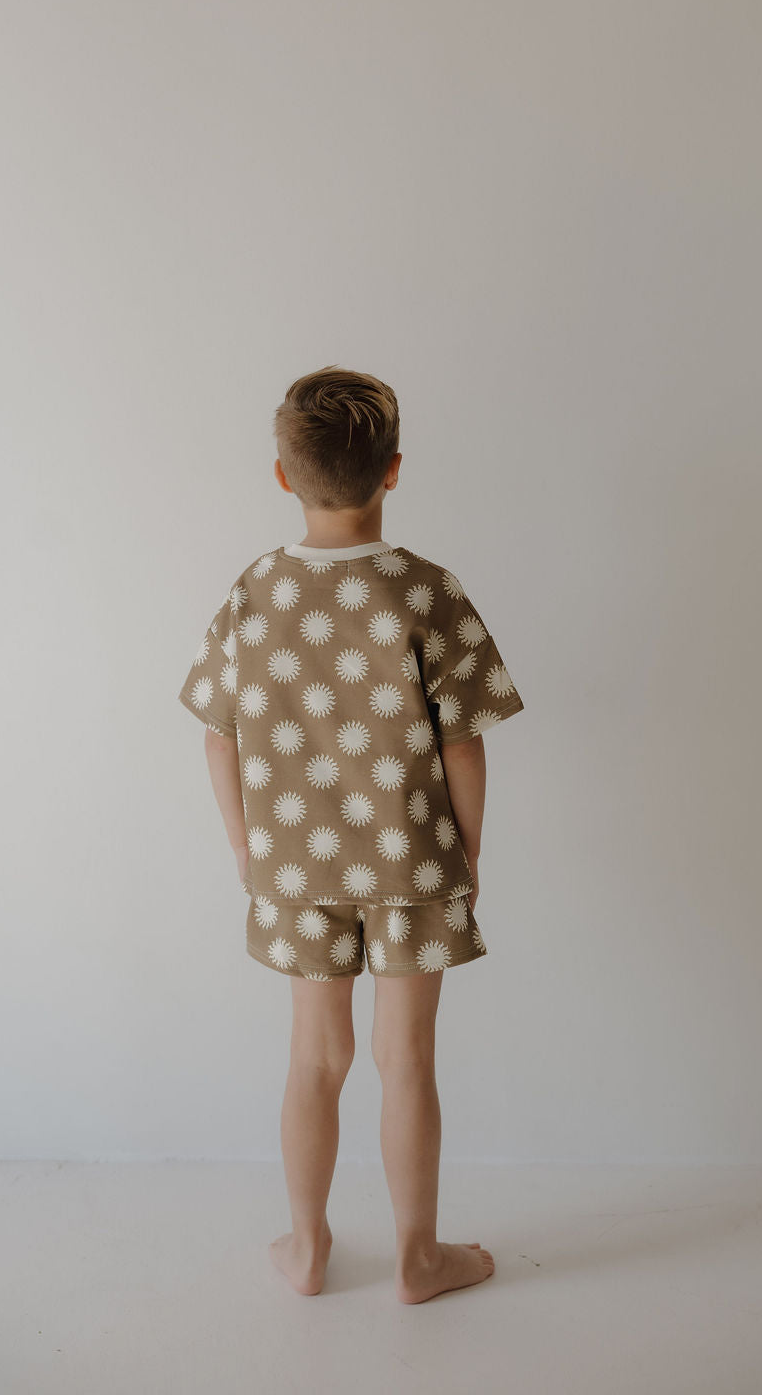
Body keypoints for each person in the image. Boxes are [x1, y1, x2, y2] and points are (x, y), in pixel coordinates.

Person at [178, 366, 524, 1303]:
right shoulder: (425, 591)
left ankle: (307, 1246)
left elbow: (217, 731)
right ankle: (418, 1258)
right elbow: (463, 743)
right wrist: (469, 852)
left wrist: (248, 849)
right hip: (414, 861)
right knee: (407, 1059)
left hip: (294, 868)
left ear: (284, 477)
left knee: (315, 1057)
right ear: (395, 470)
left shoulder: (256, 592)